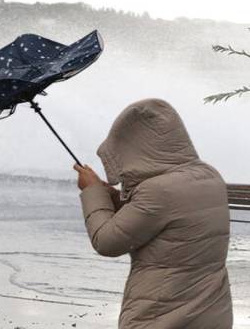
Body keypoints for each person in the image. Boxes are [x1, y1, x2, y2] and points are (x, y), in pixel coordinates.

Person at [74, 98, 232, 328]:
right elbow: (160, 221)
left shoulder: (158, 190)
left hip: (162, 314)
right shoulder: (209, 175)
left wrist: (92, 192)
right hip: (212, 312)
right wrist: (108, 193)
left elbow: (107, 242)